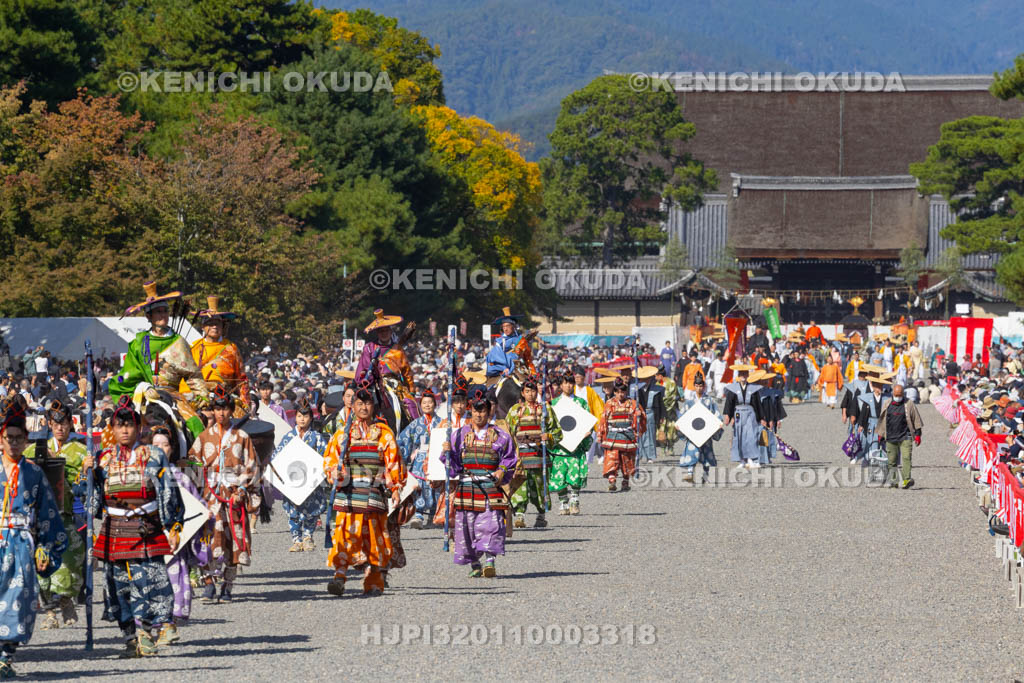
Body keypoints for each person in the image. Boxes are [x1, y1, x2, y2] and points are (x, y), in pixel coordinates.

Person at [83, 396, 183, 657]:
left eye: (130, 425)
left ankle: (147, 632)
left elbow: (169, 491)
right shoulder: (102, 459)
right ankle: (130, 637)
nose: (125, 430)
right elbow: (92, 504)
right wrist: (89, 475)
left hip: (145, 527)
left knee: (149, 581)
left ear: (139, 428)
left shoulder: (154, 455)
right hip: (115, 529)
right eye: (119, 425)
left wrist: (174, 526)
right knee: (117, 586)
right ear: (112, 429)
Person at [0, 395, 68, 677]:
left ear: (26, 440)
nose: (14, 443)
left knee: (17, 599)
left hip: (21, 544)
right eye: (9, 437)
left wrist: (45, 548)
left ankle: (5, 656)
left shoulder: (35, 473)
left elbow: (48, 515)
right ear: (0, 439)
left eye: (19, 438)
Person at [323, 381, 406, 595]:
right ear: (353, 405)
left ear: (374, 406)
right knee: (343, 536)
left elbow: (393, 464)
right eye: (359, 403)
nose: (363, 408)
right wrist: (336, 473)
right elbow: (330, 462)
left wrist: (395, 487)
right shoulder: (343, 434)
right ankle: (339, 577)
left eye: (367, 403)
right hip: (348, 493)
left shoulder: (384, 434)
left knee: (375, 538)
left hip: (374, 493)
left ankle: (374, 579)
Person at [191, 385, 261, 604]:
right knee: (208, 539)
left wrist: (242, 489)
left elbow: (253, 466)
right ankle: (209, 583)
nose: (221, 413)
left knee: (234, 541)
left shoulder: (242, 437)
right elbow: (192, 464)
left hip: (234, 496)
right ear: (213, 410)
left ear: (232, 410)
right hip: (210, 496)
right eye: (217, 409)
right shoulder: (203, 438)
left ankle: (228, 586)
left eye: (225, 408)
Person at [23, 400, 86, 631]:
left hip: (66, 512)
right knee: (40, 564)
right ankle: (49, 611)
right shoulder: (35, 447)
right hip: (39, 516)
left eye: (65, 423)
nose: (60, 428)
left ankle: (66, 598)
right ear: (49, 424)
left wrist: (86, 470)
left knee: (70, 560)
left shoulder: (81, 450)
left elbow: (85, 486)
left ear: (70, 424)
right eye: (55, 424)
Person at [442, 390, 515, 577]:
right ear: (470, 411)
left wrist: (502, 470)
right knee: (466, 527)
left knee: (492, 524)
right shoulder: (458, 435)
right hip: (467, 485)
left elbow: (510, 459)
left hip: (490, 486)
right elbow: (454, 468)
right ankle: (474, 564)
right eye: (476, 410)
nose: (479, 414)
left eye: (483, 411)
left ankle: (490, 561)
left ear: (489, 411)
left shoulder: (501, 435)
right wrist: (448, 453)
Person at [108, 280, 207, 404]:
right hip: (144, 396)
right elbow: (129, 376)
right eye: (158, 312)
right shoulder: (138, 344)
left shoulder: (179, 341)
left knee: (194, 423)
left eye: (165, 311)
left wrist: (201, 395)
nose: (163, 315)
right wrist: (144, 387)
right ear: (149, 316)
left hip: (173, 398)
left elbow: (193, 374)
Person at [274, 397, 329, 552]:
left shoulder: (316, 437)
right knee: (293, 510)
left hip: (311, 480)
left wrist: (320, 471)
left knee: (312, 510)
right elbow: (277, 457)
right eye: (299, 416)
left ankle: (308, 536)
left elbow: (325, 457)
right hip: (292, 479)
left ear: (311, 418)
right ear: (295, 418)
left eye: (305, 416)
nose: (302, 419)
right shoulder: (288, 437)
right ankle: (296, 539)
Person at [506, 377, 560, 528]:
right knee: (519, 485)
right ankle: (520, 515)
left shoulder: (546, 409)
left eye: (533, 391)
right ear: (522, 393)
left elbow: (557, 431)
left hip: (538, 455)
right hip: (520, 456)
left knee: (539, 486)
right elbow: (508, 432)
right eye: (527, 391)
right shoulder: (515, 410)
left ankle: (541, 514)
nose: (530, 394)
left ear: (537, 391)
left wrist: (548, 436)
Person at [181, 296, 250, 414]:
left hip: (225, 397)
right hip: (198, 397)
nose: (214, 326)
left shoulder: (231, 348)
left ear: (222, 326)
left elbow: (241, 378)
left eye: (217, 323)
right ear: (203, 326)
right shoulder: (193, 347)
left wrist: (245, 402)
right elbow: (184, 376)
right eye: (210, 323)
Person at [548, 373, 594, 513]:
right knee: (559, 475)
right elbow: (549, 424)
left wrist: (587, 431)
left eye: (571, 383)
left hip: (576, 445)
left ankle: (575, 500)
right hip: (559, 447)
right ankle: (563, 501)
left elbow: (587, 422)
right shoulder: (554, 403)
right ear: (560, 385)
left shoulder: (581, 403)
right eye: (565, 383)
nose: (568, 385)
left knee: (575, 475)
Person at [396, 389, 442, 529]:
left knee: (437, 484)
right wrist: (402, 458)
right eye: (424, 403)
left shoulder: (442, 423)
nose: (427, 405)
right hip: (421, 458)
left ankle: (435, 513)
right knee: (420, 485)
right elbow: (404, 441)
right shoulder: (415, 424)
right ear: (420, 406)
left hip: (437, 457)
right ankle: (419, 514)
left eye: (430, 402)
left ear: (435, 404)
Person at [597, 377, 646, 492]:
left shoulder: (633, 403)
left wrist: (639, 416)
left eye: (623, 392)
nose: (621, 394)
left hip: (627, 434)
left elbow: (642, 418)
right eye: (618, 392)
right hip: (613, 434)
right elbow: (603, 419)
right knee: (611, 457)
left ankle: (625, 481)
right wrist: (600, 434)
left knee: (627, 460)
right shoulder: (609, 403)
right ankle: (612, 480)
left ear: (626, 392)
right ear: (614, 392)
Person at [876, 383, 923, 489]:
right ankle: (893, 481)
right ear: (893, 394)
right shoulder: (887, 403)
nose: (898, 397)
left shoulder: (909, 403)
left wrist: (918, 434)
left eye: (900, 395)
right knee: (892, 460)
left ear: (903, 394)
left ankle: (906, 479)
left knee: (906, 458)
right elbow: (882, 419)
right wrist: (880, 434)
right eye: (896, 395)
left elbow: (916, 419)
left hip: (905, 436)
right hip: (890, 436)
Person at [677, 375, 722, 482]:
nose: (698, 388)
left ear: (704, 386)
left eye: (700, 386)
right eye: (696, 386)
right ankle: (690, 473)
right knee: (692, 450)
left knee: (706, 452)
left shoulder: (709, 400)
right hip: (693, 431)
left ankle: (705, 474)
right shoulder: (689, 401)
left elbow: (715, 413)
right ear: (694, 387)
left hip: (705, 431)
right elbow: (682, 414)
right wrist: (679, 424)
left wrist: (718, 422)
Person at [722, 363, 766, 469]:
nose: (743, 375)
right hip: (738, 414)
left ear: (747, 375)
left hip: (750, 414)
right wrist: (728, 415)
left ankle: (751, 459)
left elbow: (757, 404)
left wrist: (761, 418)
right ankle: (741, 460)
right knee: (739, 436)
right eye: (741, 373)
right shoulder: (733, 388)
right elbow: (729, 403)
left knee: (751, 436)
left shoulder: (753, 389)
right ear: (738, 375)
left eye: (745, 373)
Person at [485, 307, 524, 379]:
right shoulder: (499, 341)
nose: (505, 329)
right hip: (504, 368)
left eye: (508, 326)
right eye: (503, 327)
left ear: (514, 326)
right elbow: (496, 356)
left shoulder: (520, 339)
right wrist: (504, 368)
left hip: (520, 367)